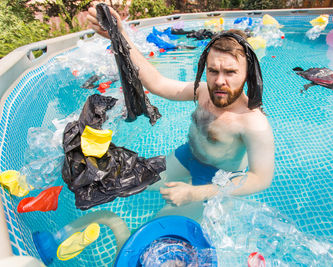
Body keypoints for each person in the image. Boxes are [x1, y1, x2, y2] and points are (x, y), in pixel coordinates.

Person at [87, 5, 275, 220]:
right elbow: (157, 83)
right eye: (213, 71)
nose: (220, 81)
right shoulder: (203, 91)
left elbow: (260, 178)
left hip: (215, 177)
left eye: (231, 72)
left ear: (247, 73)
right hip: (187, 156)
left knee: (163, 225)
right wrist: (118, 35)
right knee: (128, 182)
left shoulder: (253, 122)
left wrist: (194, 193)